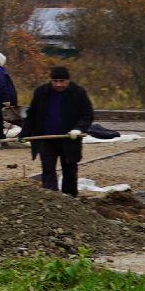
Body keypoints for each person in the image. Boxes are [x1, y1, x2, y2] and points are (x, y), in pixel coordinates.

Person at [20, 66, 93, 196]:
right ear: (51, 81)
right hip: (46, 139)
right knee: (48, 169)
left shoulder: (78, 93)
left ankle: (69, 199)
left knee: (69, 170)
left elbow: (87, 114)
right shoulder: (41, 92)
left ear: (68, 81)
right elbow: (32, 114)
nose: (58, 84)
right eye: (55, 81)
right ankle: (50, 198)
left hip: (69, 139)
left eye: (62, 81)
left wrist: (78, 129)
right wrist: (24, 133)